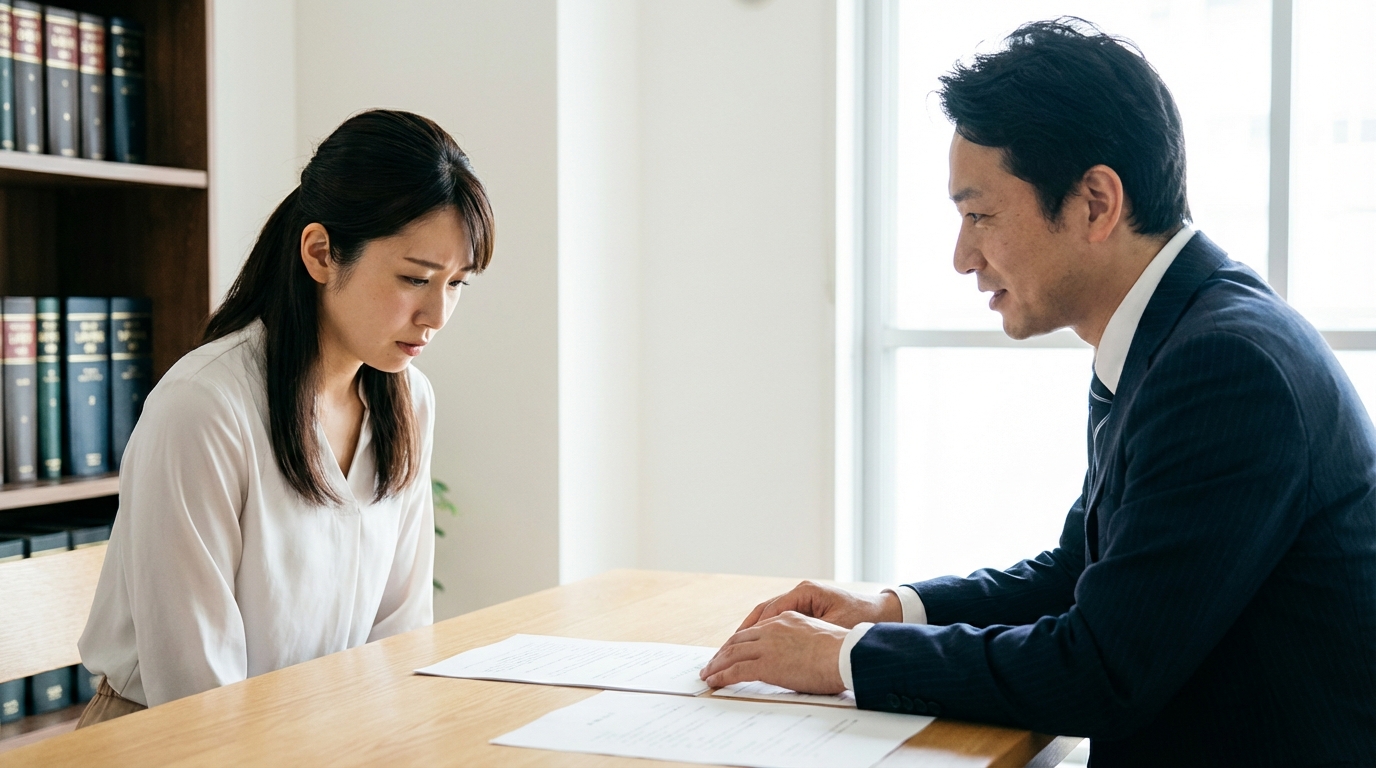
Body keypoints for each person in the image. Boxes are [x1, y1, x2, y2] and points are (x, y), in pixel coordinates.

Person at [701, 19, 1376, 766]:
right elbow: (1078, 577)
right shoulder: (1175, 331)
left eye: (980, 215)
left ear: (1094, 202)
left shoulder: (1225, 366)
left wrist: (846, 660)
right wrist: (890, 610)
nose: (963, 258)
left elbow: (1100, 671)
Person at [75, 109, 495, 726]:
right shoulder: (204, 407)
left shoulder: (408, 400)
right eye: (415, 278)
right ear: (322, 253)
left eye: (457, 284)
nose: (437, 314)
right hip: (165, 741)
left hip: (320, 732)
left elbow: (401, 633)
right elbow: (195, 695)